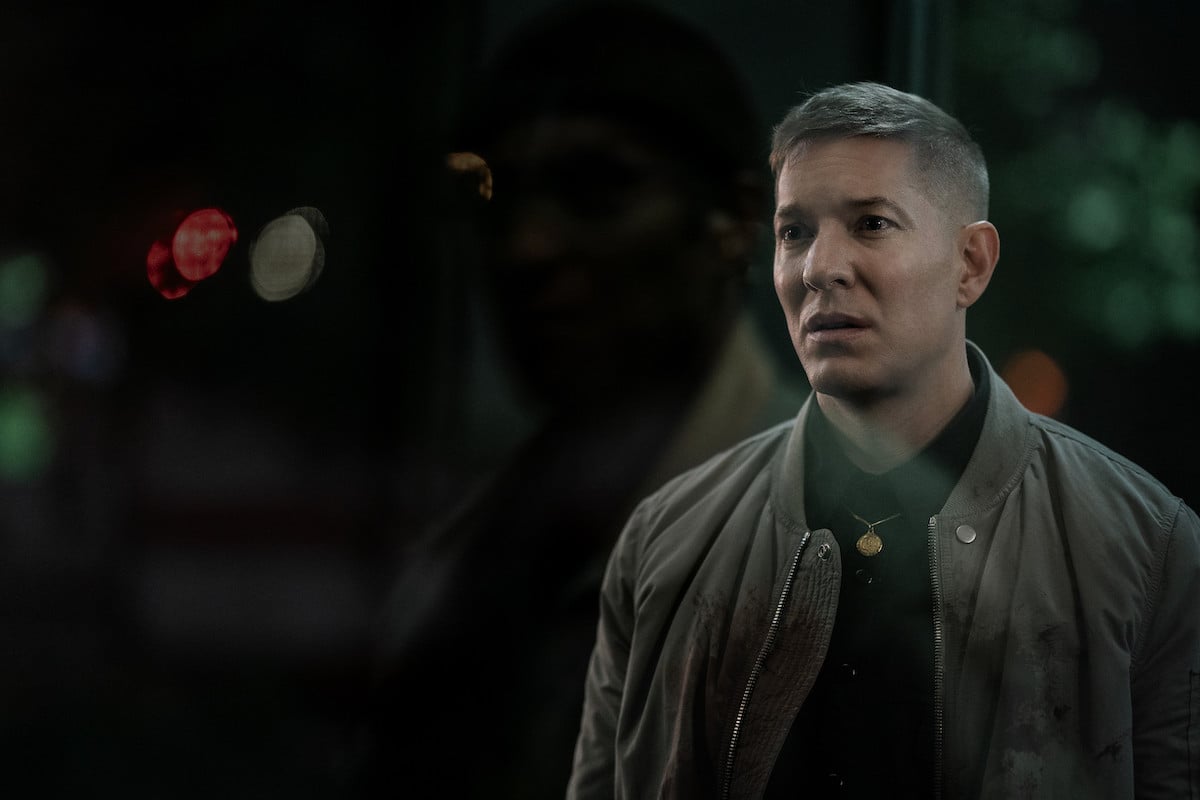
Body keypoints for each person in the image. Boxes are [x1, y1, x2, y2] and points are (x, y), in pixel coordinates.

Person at [566, 80, 1200, 799]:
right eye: (793, 232)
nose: (818, 268)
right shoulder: (666, 538)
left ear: (971, 263)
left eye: (871, 223)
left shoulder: (1144, 547)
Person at [353, 3, 807, 798]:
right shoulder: (494, 528)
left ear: (736, 223)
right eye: (493, 197)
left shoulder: (851, 564)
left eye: (597, 188)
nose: (525, 247)